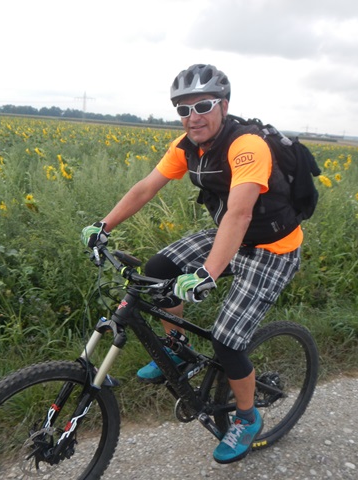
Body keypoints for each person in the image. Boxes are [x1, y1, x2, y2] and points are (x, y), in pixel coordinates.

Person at [81, 64, 303, 464]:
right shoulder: (186, 146)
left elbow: (239, 213)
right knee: (157, 271)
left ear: (224, 106)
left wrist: (207, 274)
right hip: (229, 235)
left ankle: (247, 418)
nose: (192, 116)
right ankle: (177, 350)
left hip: (273, 248)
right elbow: (146, 187)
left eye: (203, 105)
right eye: (183, 109)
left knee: (227, 341)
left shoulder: (247, 146)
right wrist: (103, 225)